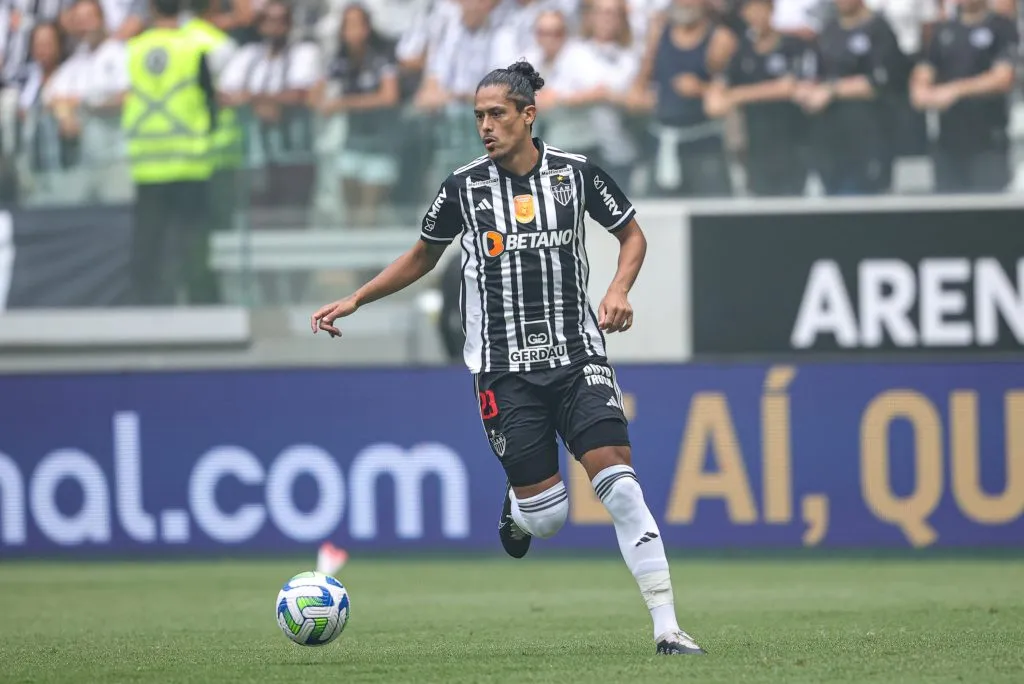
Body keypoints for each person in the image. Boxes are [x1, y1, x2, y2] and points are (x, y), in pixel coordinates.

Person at [310, 59, 706, 657]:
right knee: (548, 519)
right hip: (503, 368)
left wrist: (619, 289)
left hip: (578, 356)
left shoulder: (576, 175)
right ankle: (519, 513)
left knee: (620, 484)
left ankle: (669, 629)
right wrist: (358, 297)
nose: (486, 126)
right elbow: (422, 256)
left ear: (528, 114)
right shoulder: (463, 187)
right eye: (478, 117)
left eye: (497, 114)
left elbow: (631, 234)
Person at [122, 0, 216, 306]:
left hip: (147, 162)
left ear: (151, 8)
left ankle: (146, 308)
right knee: (193, 243)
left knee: (148, 245)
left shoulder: (134, 48)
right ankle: (201, 308)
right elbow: (210, 100)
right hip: (189, 161)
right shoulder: (194, 46)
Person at [910, 0, 1017, 193]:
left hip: (988, 142)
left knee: (988, 214)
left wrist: (955, 91)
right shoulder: (943, 30)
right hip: (948, 142)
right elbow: (923, 75)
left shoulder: (1001, 26)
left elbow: (1003, 78)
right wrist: (923, 93)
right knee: (948, 214)